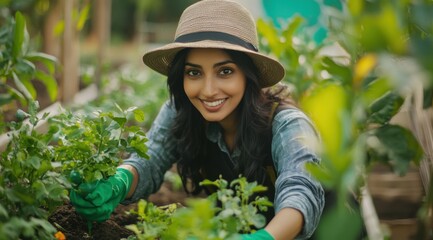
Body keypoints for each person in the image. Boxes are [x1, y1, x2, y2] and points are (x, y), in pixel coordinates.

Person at [70, 0, 324, 239]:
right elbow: (151, 157)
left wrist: (265, 237)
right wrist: (118, 182)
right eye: (194, 72)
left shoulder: (287, 123)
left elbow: (299, 190)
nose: (209, 90)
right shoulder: (182, 111)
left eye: (225, 71)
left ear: (249, 75)